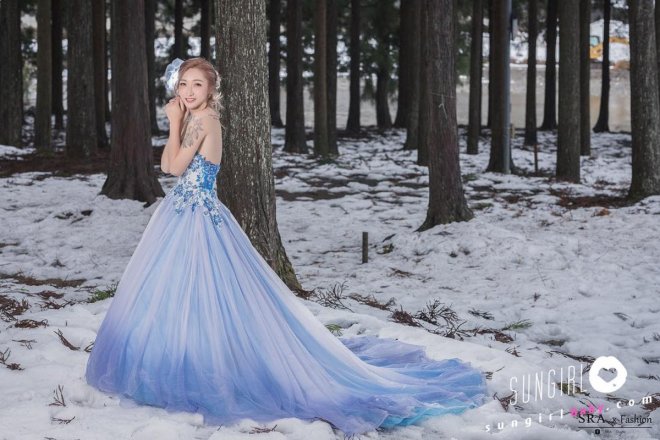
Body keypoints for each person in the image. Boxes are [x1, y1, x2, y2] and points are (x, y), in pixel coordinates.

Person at [85, 57, 487, 438]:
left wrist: (172, 122)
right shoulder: (194, 118)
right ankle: (184, 359)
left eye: (197, 85)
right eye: (184, 84)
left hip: (197, 217)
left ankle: (207, 367)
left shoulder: (204, 120)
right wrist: (177, 124)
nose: (189, 92)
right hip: (183, 214)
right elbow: (166, 165)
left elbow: (173, 166)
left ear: (210, 90)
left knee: (204, 290)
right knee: (181, 292)